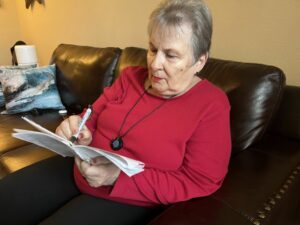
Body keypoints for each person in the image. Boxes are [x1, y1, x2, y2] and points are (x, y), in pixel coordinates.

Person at [0, 0, 231, 224]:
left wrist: (117, 176)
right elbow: (92, 114)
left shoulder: (212, 105)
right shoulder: (131, 77)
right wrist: (79, 129)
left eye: (170, 55)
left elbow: (200, 181)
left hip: (129, 196)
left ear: (200, 61)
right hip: (79, 166)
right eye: (152, 49)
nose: (155, 63)